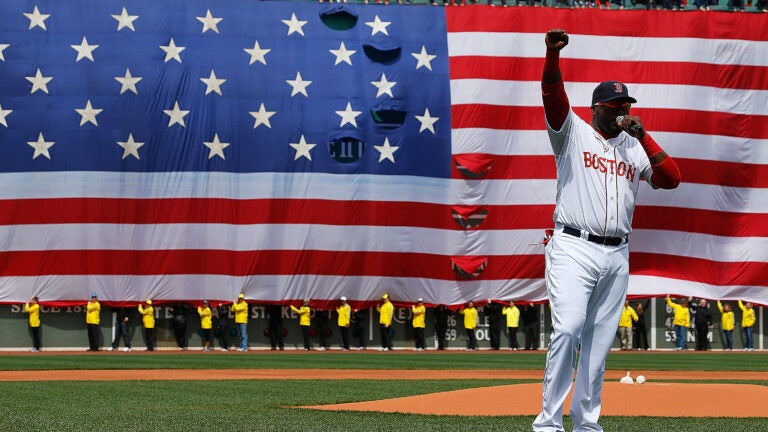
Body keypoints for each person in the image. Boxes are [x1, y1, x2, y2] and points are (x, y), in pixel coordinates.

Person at [534, 28, 681, 432]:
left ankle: (586, 424)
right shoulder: (572, 133)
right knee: (567, 328)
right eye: (616, 104)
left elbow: (671, 179)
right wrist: (552, 55)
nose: (623, 109)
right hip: (573, 246)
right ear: (597, 107)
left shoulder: (634, 146)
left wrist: (644, 135)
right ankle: (548, 423)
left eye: (626, 103)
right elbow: (552, 95)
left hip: (617, 253)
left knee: (598, 346)